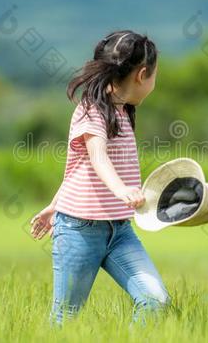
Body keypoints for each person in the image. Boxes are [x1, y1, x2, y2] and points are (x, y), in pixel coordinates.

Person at [29, 30, 171, 327]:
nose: (154, 82)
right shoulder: (91, 110)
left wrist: (53, 204)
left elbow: (78, 168)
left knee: (155, 300)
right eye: (155, 75)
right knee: (65, 320)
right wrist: (122, 190)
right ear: (142, 74)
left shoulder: (123, 111)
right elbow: (97, 158)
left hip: (120, 232)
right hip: (80, 231)